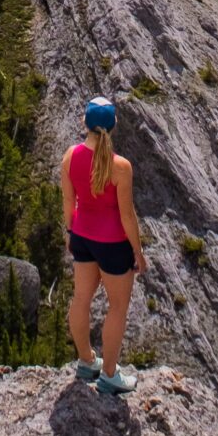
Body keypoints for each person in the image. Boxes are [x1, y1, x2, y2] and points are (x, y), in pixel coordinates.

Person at [61, 97, 147, 396]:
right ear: (113, 126)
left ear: (85, 123)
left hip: (82, 237)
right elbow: (126, 215)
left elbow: (68, 202)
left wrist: (70, 232)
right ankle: (109, 375)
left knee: (81, 298)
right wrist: (137, 251)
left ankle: (86, 361)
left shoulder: (70, 156)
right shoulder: (120, 167)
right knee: (118, 307)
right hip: (112, 244)